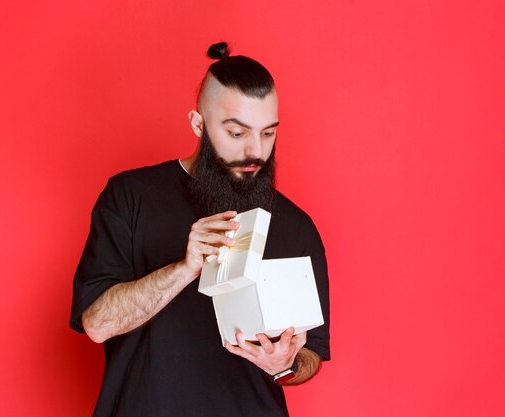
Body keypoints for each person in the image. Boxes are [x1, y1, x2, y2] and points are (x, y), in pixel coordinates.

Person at [70, 42, 330, 417]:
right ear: (198, 124)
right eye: (237, 133)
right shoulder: (130, 195)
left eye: (268, 133)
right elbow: (96, 325)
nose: (255, 150)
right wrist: (186, 267)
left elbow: (310, 355)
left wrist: (284, 364)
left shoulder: (297, 225)